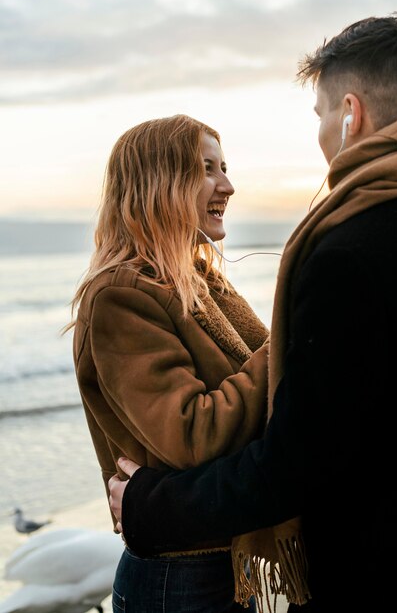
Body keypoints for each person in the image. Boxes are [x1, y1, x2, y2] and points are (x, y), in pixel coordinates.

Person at [108, 14, 397, 612]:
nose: (322, 134)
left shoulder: (346, 251)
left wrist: (155, 509)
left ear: (351, 114)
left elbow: (297, 463)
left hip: (380, 575)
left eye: (321, 117)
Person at [67, 114, 270, 612]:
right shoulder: (120, 295)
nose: (228, 184)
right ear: (158, 185)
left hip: (219, 558)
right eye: (205, 169)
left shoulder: (200, 285)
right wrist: (291, 341)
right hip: (177, 576)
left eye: (223, 167)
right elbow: (192, 436)